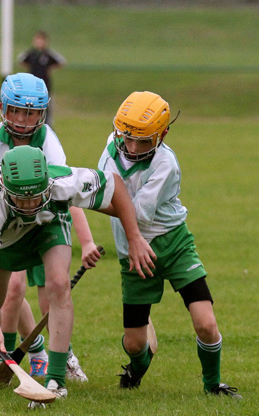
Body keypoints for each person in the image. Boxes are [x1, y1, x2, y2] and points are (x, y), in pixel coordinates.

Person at [0, 73, 103, 386]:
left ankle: (60, 363)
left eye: (31, 113)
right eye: (16, 111)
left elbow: (68, 193)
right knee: (0, 295)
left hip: (44, 224)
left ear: (42, 113)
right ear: (3, 108)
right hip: (4, 223)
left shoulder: (49, 144)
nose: (23, 121)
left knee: (52, 291)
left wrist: (87, 240)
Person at [0, 145, 156, 403]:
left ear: (47, 185)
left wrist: (134, 238)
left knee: (58, 285)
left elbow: (115, 186)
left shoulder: (63, 182)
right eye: (22, 199)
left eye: (35, 197)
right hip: (8, 237)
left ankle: (56, 379)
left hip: (49, 225)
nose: (29, 205)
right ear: (7, 191)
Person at [97, 90, 241, 399]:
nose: (133, 147)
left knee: (206, 324)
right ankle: (137, 367)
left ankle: (213, 386)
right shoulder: (111, 149)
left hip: (174, 245)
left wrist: (81, 196)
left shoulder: (166, 164)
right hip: (131, 254)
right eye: (128, 138)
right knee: (135, 344)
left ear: (162, 135)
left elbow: (132, 211)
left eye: (144, 141)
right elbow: (105, 188)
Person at [17, 31, 66, 128]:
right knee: (30, 106)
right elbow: (20, 60)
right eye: (37, 40)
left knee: (46, 108)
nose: (39, 43)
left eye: (41, 40)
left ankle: (47, 126)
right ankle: (30, 125)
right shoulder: (31, 54)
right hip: (31, 87)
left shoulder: (48, 54)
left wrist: (51, 69)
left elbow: (61, 61)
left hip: (45, 86)